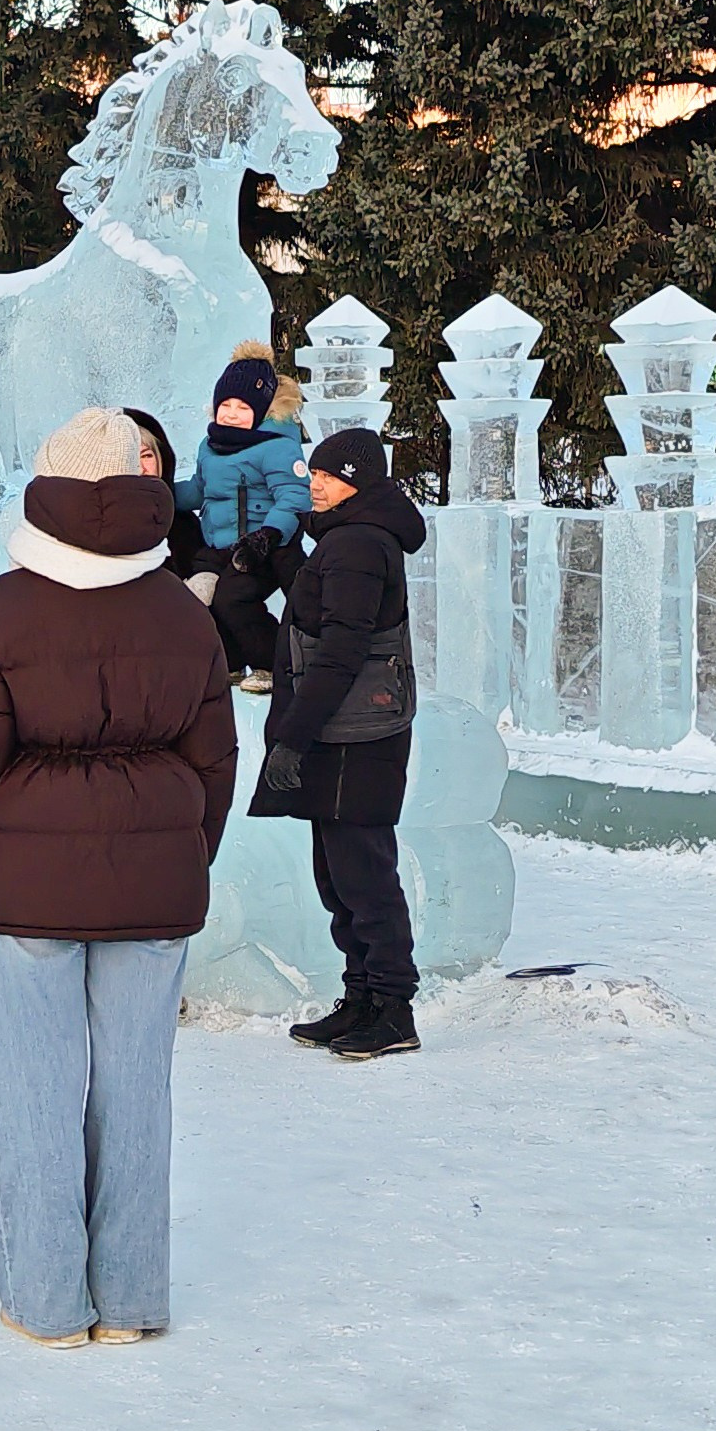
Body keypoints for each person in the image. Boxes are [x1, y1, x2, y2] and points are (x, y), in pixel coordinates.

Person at [0, 408, 237, 1348]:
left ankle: (48, 1300)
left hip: (27, 891)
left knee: (35, 1086)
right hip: (151, 889)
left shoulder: (1, 611)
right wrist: (184, 850)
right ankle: (130, 1300)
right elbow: (215, 758)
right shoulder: (180, 610)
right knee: (137, 1087)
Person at [249, 427, 427, 1061]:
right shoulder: (348, 540)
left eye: (329, 475)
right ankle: (361, 998)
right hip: (345, 726)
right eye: (313, 473)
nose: (314, 483)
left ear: (359, 481)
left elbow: (342, 648)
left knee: (364, 874)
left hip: (357, 732)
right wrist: (276, 552)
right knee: (337, 874)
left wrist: (292, 736)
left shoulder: (357, 544)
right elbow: (316, 607)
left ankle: (393, 1007)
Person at [173, 340, 309, 694]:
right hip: (217, 544)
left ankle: (273, 663)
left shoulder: (277, 446)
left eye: (243, 407)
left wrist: (268, 536)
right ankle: (230, 663)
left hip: (259, 546)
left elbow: (294, 495)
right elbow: (198, 489)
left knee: (234, 598)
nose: (231, 413)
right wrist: (162, 493)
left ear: (262, 410)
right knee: (197, 596)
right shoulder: (211, 446)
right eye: (226, 405)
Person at [123, 406, 203, 579]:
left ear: (162, 459)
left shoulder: (185, 524)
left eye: (146, 456)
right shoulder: (96, 528)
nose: (140, 468)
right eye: (128, 459)